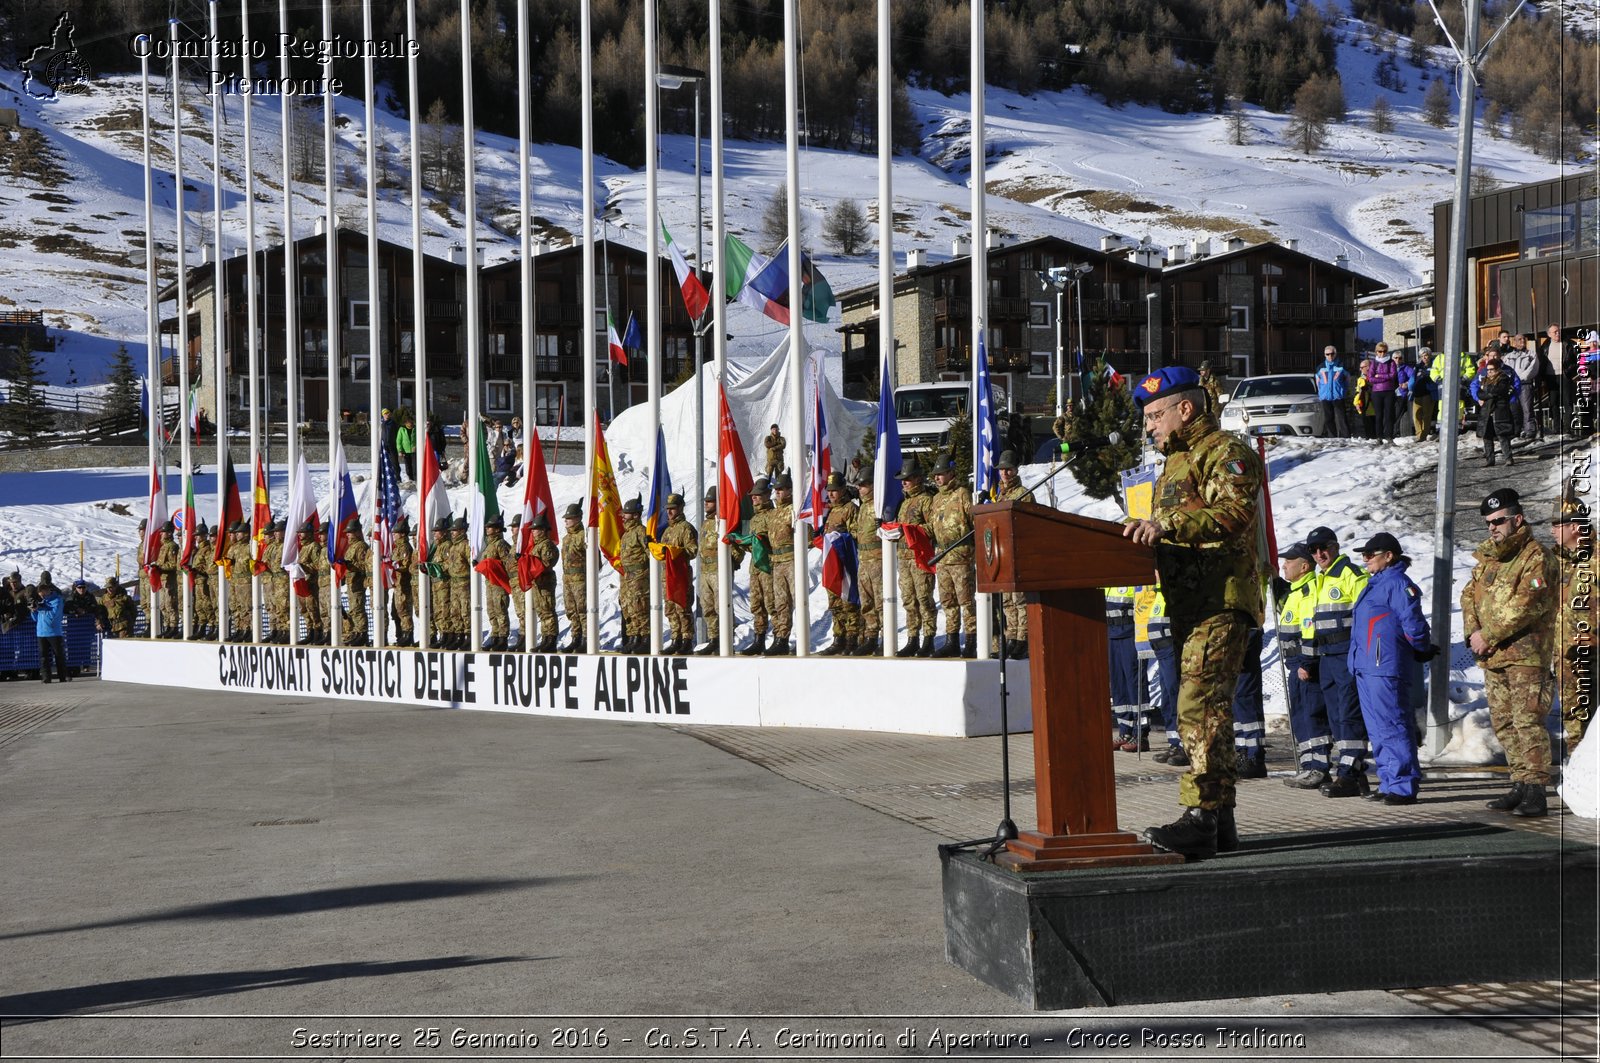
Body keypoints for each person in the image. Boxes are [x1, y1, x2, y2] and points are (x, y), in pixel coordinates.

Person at [1124, 366, 1264, 858]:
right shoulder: (1176, 464)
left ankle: (1200, 816)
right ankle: (1220, 820)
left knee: (1197, 708)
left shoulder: (1226, 451)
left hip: (1222, 599)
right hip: (1189, 603)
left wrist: (1165, 524)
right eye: (1146, 417)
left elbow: (1233, 513)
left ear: (1186, 408)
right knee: (1210, 714)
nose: (1149, 426)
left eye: (1156, 414)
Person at [1464, 487, 1558, 817]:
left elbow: (1528, 605)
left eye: (1499, 520)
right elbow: (1468, 596)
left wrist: (1488, 634)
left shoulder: (1536, 557)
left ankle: (1536, 789)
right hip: (1494, 656)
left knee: (1528, 721)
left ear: (1517, 519)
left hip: (1526, 655)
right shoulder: (1489, 558)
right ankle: (1519, 782)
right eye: (1489, 522)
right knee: (1504, 723)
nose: (1493, 527)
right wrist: (1473, 633)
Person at [1349, 532, 1434, 804]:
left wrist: (1421, 647)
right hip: (1367, 667)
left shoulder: (1397, 583)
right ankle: (1388, 781)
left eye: (1369, 555)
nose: (1365, 560)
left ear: (1389, 556)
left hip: (1384, 666)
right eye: (1363, 555)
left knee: (1394, 725)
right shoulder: (1375, 584)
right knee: (1377, 728)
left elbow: (1413, 622)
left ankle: (1403, 785)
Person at [1303, 526, 1372, 797]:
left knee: (1349, 714)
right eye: (1314, 550)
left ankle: (1350, 774)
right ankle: (1351, 773)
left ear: (1336, 547)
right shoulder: (1321, 578)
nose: (1319, 553)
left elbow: (1366, 616)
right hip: (1327, 657)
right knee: (1336, 717)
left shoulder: (1351, 574)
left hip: (1347, 655)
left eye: (1324, 547)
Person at [1275, 543, 1331, 788]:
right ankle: (1309, 765)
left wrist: (1306, 663)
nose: (1284, 565)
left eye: (1289, 561)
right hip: (1295, 665)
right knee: (1300, 717)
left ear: (1305, 566)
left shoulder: (1308, 592)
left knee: (1312, 716)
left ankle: (1319, 767)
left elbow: (1309, 631)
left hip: (1305, 666)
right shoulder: (1295, 592)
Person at [928, 452, 976, 658]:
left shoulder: (962, 493)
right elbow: (931, 526)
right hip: (942, 556)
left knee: (966, 600)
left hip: (960, 556)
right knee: (948, 601)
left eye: (941, 474)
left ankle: (972, 640)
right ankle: (952, 640)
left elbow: (974, 522)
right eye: (935, 475)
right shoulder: (936, 499)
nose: (937, 478)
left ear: (951, 473)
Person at [892, 459, 938, 658]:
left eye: (907, 479)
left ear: (918, 478)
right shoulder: (903, 503)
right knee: (909, 600)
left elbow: (933, 527)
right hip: (904, 558)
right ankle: (913, 638)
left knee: (924, 599)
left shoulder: (926, 500)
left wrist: (913, 530)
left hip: (920, 557)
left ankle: (928, 639)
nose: (904, 483)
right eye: (902, 480)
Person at [694, 489, 743, 655]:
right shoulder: (705, 523)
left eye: (710, 501)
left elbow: (736, 543)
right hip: (705, 570)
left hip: (719, 569)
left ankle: (727, 639)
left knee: (722, 605)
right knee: (707, 607)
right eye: (705, 501)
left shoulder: (723, 522)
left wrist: (733, 561)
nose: (706, 504)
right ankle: (714, 639)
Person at [994, 451, 1030, 657]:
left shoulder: (1024, 493)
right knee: (1007, 601)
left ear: (1016, 470)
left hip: (1017, 554)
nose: (1005, 473)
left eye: (1008, 469)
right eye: (1002, 470)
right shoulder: (999, 495)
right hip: (1001, 556)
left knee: (1019, 600)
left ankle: (1023, 638)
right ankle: (1012, 637)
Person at [847, 466, 884, 656]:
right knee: (867, 602)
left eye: (863, 485)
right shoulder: (862, 507)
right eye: (859, 485)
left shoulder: (879, 505)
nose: (860, 489)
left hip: (878, 559)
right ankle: (871, 637)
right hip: (864, 560)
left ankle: (886, 637)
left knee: (880, 601)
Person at [657, 493, 699, 654]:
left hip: (680, 575)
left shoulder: (686, 529)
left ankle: (687, 640)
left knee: (682, 607)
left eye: (673, 509)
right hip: (667, 575)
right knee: (670, 609)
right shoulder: (667, 531)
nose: (669, 512)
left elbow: (692, 550)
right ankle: (676, 638)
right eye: (668, 509)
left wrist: (676, 552)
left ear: (680, 508)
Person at [763, 473, 799, 656]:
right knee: (781, 603)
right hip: (777, 563)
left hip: (792, 560)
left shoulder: (793, 510)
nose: (777, 492)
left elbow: (805, 537)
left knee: (798, 600)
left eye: (781, 489)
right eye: (776, 489)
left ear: (790, 490)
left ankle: (803, 638)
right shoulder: (773, 513)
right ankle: (782, 639)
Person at [1107, 585, 1145, 750]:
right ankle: (1125, 731)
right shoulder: (1107, 579)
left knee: (1134, 684)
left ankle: (1141, 734)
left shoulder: (1132, 577)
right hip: (1112, 634)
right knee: (1118, 685)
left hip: (1130, 634)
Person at [740, 478, 775, 656]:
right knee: (757, 605)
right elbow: (752, 544)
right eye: (753, 496)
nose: (754, 498)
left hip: (768, 567)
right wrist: (741, 542)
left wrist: (764, 541)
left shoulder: (772, 516)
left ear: (767, 495)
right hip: (755, 568)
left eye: (758, 495)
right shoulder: (754, 519)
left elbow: (776, 541)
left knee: (772, 603)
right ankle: (758, 640)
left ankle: (779, 638)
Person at [1470, 355, 1519, 467]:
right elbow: (1479, 393)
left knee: (1502, 436)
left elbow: (1499, 391)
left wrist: (1487, 393)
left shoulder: (1503, 378)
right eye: (1488, 370)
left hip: (1499, 410)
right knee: (1487, 436)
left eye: (1492, 369)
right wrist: (1488, 394)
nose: (1489, 372)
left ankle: (1508, 458)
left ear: (1497, 369)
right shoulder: (1484, 379)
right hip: (1487, 411)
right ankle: (1490, 459)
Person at [617, 498, 651, 654]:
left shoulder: (641, 531)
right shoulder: (626, 534)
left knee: (640, 607)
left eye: (628, 513)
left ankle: (645, 639)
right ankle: (633, 637)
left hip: (639, 577)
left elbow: (649, 554)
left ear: (636, 515)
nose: (624, 516)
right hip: (628, 577)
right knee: (629, 608)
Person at [478, 514, 515, 650]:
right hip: (490, 584)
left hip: (499, 583)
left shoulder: (501, 544)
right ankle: (495, 636)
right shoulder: (489, 546)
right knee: (491, 611)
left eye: (491, 527)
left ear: (498, 529)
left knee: (500, 610)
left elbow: (507, 563)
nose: (487, 530)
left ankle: (503, 638)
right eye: (487, 527)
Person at [30, 572, 68, 683]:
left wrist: (41, 608)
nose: (42, 595)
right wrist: (34, 610)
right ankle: (46, 677)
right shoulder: (41, 601)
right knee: (43, 657)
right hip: (41, 633)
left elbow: (53, 615)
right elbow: (36, 618)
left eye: (43, 592)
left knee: (58, 656)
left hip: (54, 632)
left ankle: (62, 676)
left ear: (48, 590)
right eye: (40, 593)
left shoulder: (57, 600)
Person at [1502, 333, 1541, 441]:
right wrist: (1511, 380)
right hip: (1512, 386)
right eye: (1519, 339)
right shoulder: (1509, 356)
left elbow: (1533, 368)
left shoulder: (1531, 354)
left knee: (1527, 408)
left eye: (1524, 339)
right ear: (1514, 341)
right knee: (1514, 409)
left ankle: (1530, 431)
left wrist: (1520, 378)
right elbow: (1504, 370)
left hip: (1525, 385)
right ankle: (1515, 431)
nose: (1522, 341)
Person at [559, 504, 586, 652]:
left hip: (580, 579)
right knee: (571, 610)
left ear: (578, 518)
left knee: (582, 610)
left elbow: (595, 558)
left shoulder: (584, 536)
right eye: (566, 518)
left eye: (570, 518)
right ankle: (576, 637)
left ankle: (587, 639)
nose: (567, 521)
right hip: (568, 579)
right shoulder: (566, 538)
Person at [390, 516, 416, 647]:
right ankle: (400, 634)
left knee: (404, 610)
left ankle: (408, 634)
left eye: (395, 533)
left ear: (402, 534)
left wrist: (394, 566)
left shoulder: (405, 547)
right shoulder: (396, 548)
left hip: (404, 584)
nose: (393, 535)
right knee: (396, 611)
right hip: (397, 585)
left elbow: (405, 565)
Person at [1367, 343, 1400, 445]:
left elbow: (1393, 375)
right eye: (1380, 351)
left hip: (1389, 391)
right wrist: (1384, 377)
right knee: (1378, 415)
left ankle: (1389, 436)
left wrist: (1378, 376)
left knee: (1389, 415)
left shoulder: (1391, 362)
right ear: (1376, 352)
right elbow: (1370, 378)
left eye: (1384, 351)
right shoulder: (1373, 363)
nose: (1382, 353)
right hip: (1376, 392)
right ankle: (1379, 437)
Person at [1315, 347, 1351, 438]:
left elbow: (1348, 379)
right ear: (1324, 355)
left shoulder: (1341, 366)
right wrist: (1321, 393)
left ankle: (1345, 437)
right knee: (1328, 418)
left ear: (1335, 353)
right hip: (1325, 396)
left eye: (1332, 354)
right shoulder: (1320, 367)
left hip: (1338, 395)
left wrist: (1344, 390)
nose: (1330, 356)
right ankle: (1332, 437)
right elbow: (1318, 382)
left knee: (1341, 418)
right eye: (1327, 354)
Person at [1411, 348, 1439, 441]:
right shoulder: (1418, 366)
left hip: (1429, 393)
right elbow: (1414, 378)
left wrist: (1426, 373)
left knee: (1427, 415)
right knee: (1416, 414)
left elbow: (1434, 377)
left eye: (1426, 355)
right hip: (1417, 393)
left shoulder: (1434, 365)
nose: (1424, 358)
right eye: (1422, 356)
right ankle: (1419, 433)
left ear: (1429, 355)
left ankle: (1423, 435)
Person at [396, 414, 417, 483]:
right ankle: (410, 478)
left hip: (414, 451)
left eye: (411, 422)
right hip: (405, 451)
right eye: (408, 422)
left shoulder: (416, 428)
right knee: (408, 466)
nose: (410, 423)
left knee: (415, 466)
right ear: (405, 423)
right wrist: (400, 450)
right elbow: (399, 440)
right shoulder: (402, 429)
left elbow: (419, 439)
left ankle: (416, 478)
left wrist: (416, 446)